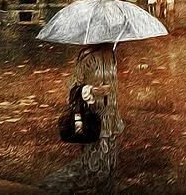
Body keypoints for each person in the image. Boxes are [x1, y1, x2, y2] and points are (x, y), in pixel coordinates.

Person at [40, 43, 124, 194]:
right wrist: (91, 90)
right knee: (92, 169)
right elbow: (73, 89)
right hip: (93, 121)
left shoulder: (111, 54)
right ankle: (49, 186)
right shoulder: (87, 58)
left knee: (109, 172)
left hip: (112, 122)